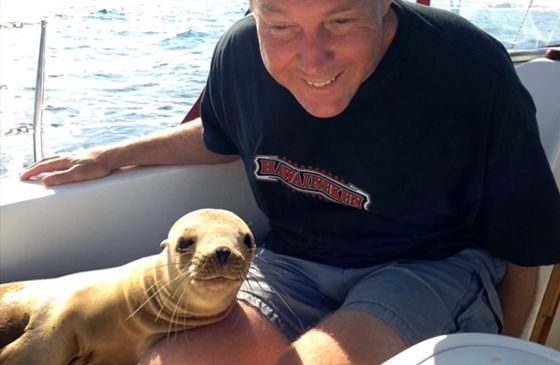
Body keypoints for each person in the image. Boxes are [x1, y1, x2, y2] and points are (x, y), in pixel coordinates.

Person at [20, 0, 560, 364]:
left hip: (427, 266)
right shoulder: (240, 54)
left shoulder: (470, 71)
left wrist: (503, 349)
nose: (310, 58)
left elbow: (524, 244)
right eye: (279, 25)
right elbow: (220, 134)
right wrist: (110, 156)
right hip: (291, 260)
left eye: (341, 20)